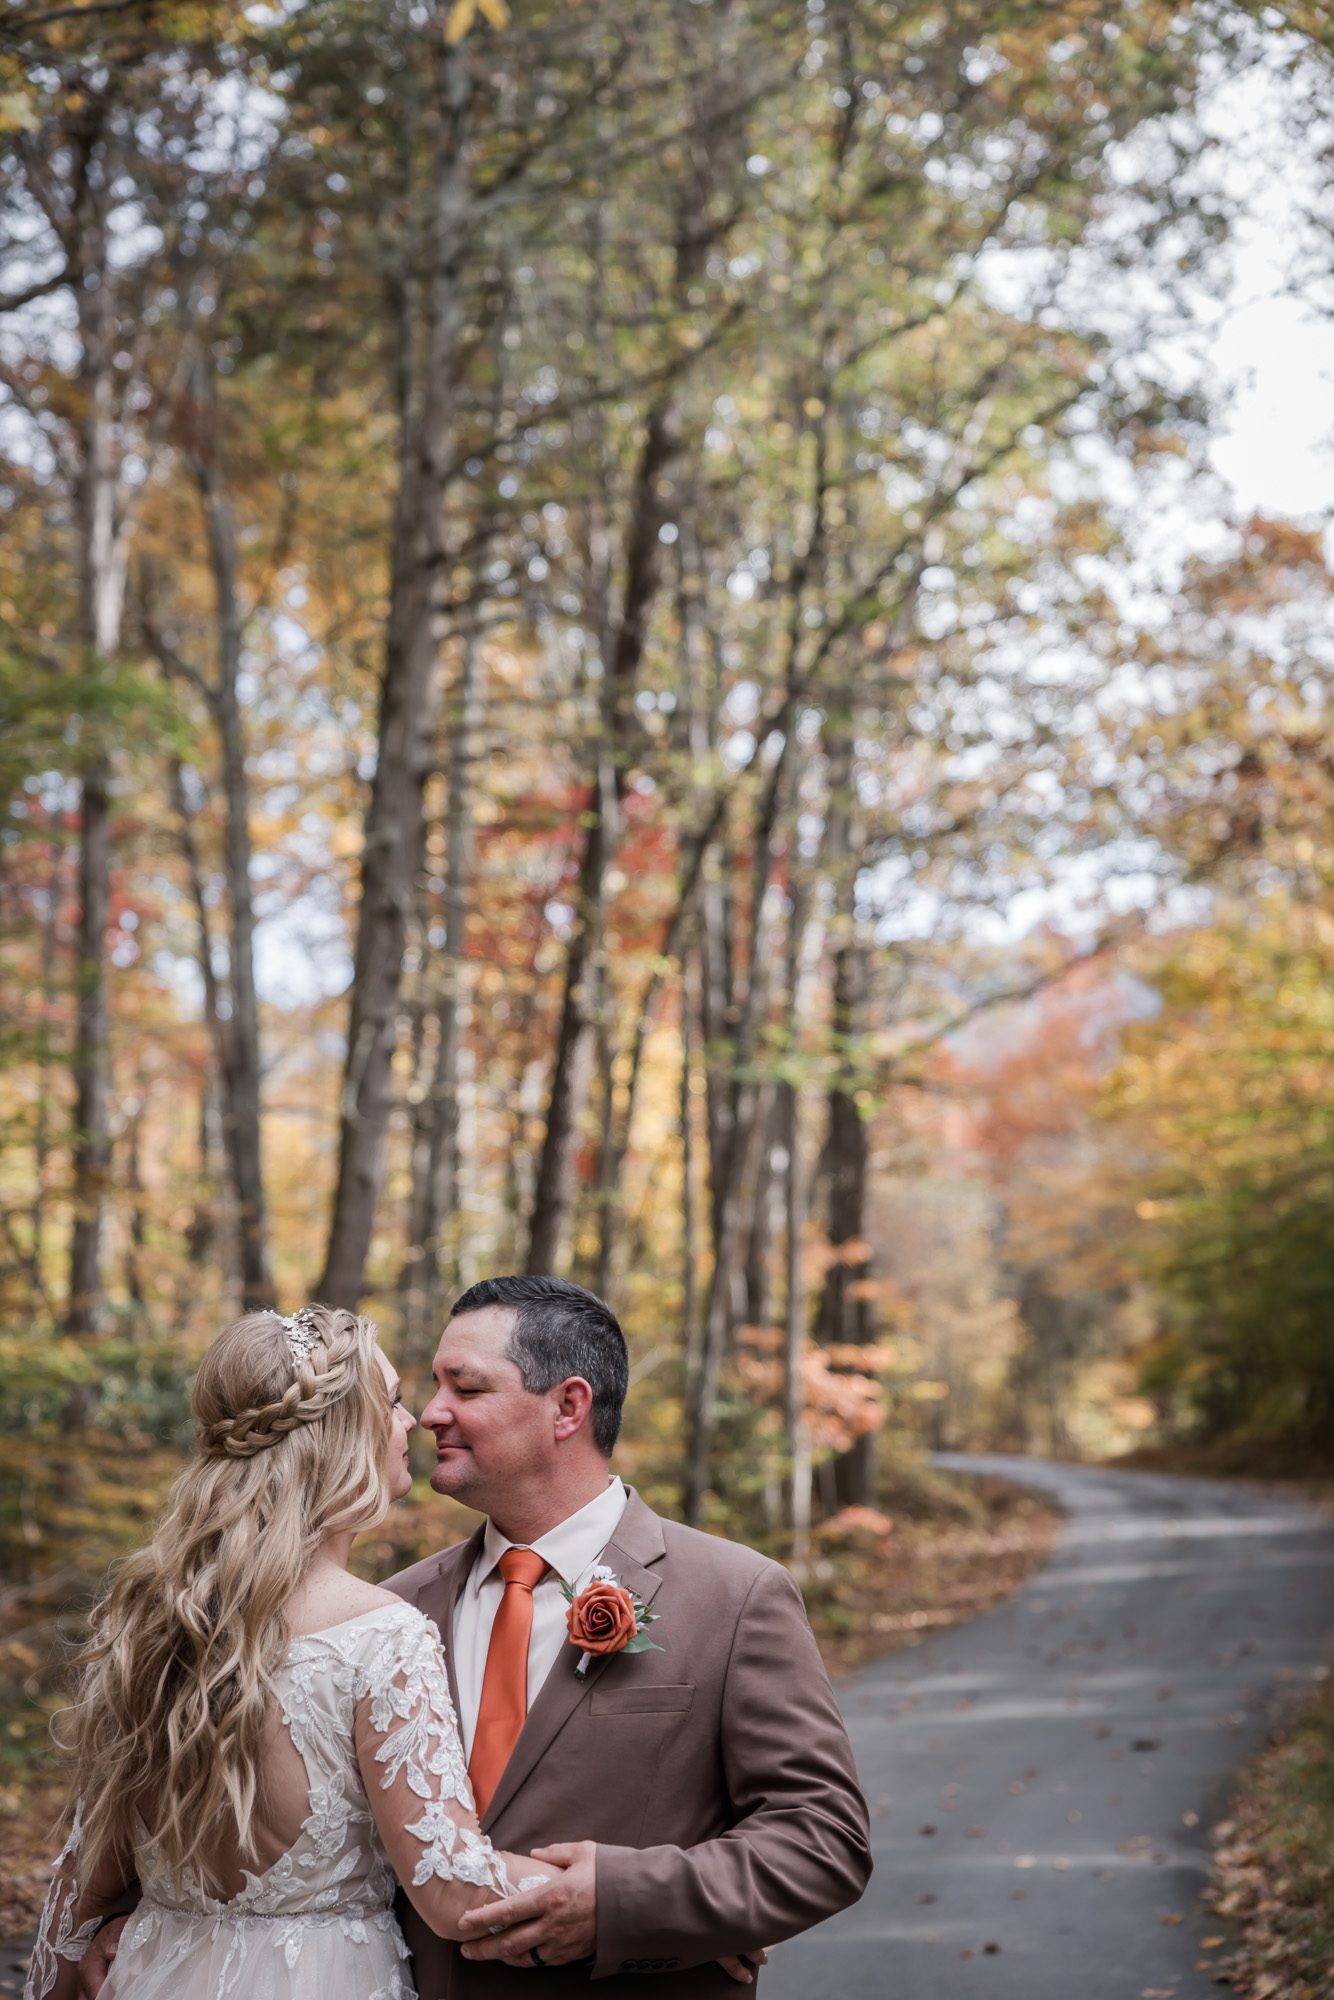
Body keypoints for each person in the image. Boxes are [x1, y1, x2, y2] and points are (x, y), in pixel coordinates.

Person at [29, 1304, 568, 2000]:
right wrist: (625, 1900)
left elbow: (79, 1892)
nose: (413, 1423)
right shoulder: (380, 1633)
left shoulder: (153, 1620)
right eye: (395, 1402)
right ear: (340, 1434)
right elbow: (454, 1891)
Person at [382, 1274, 872, 1997]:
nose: (430, 1414)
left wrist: (633, 1906)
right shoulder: (392, 1611)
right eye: (433, 1387)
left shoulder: (735, 1596)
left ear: (568, 1407)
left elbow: (823, 1840)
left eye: (468, 1389)